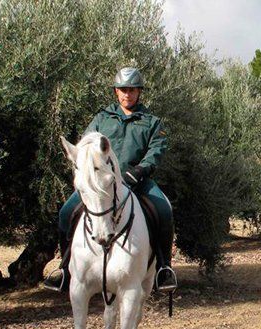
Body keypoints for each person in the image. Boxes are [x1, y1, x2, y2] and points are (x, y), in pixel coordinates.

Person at [44, 67, 177, 293]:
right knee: (66, 212)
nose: (128, 94)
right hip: (101, 185)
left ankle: (164, 268)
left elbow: (156, 151)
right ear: (116, 91)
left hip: (138, 181)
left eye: (132, 90)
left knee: (164, 210)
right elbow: (85, 146)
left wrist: (139, 171)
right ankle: (65, 268)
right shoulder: (102, 119)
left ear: (139, 92)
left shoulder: (151, 122)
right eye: (123, 90)